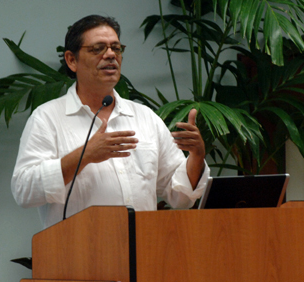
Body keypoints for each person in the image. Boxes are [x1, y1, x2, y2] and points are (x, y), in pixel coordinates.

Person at [11, 15, 210, 229]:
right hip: (78, 254)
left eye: (116, 48)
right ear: (71, 60)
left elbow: (180, 196)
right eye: (98, 49)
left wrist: (197, 156)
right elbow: (24, 190)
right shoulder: (48, 118)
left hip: (143, 251)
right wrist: (84, 155)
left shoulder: (145, 118)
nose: (110, 55)